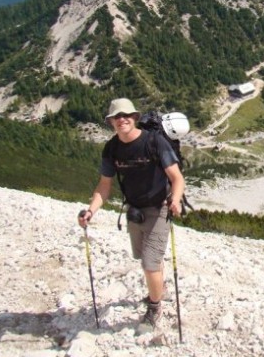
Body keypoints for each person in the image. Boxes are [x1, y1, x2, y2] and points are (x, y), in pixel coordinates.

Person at [78, 98, 185, 330]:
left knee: (149, 264)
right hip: (134, 209)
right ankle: (160, 289)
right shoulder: (112, 149)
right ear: (111, 122)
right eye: (117, 117)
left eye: (126, 115)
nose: (122, 119)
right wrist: (90, 211)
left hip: (160, 208)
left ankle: (155, 307)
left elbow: (177, 178)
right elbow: (104, 186)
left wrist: (175, 200)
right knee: (144, 258)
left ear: (135, 117)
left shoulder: (154, 142)